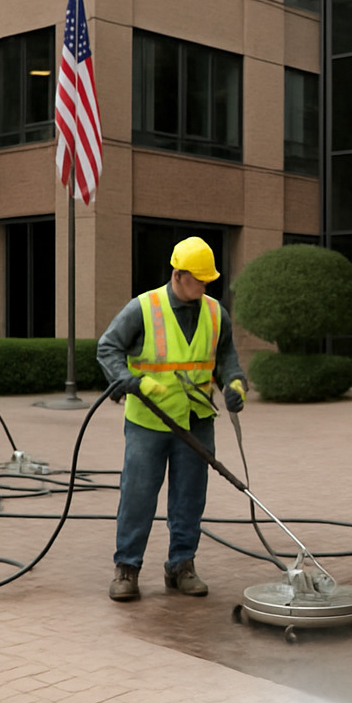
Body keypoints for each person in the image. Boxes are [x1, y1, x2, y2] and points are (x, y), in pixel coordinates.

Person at [96, 236, 246, 603]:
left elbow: (226, 355)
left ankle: (181, 565)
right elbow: (107, 348)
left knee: (190, 497)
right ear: (178, 275)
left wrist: (236, 383)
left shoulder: (214, 312)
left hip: (196, 419)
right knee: (139, 495)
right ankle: (127, 568)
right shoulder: (142, 308)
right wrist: (130, 379)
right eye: (199, 279)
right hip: (150, 420)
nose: (205, 285)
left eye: (208, 279)